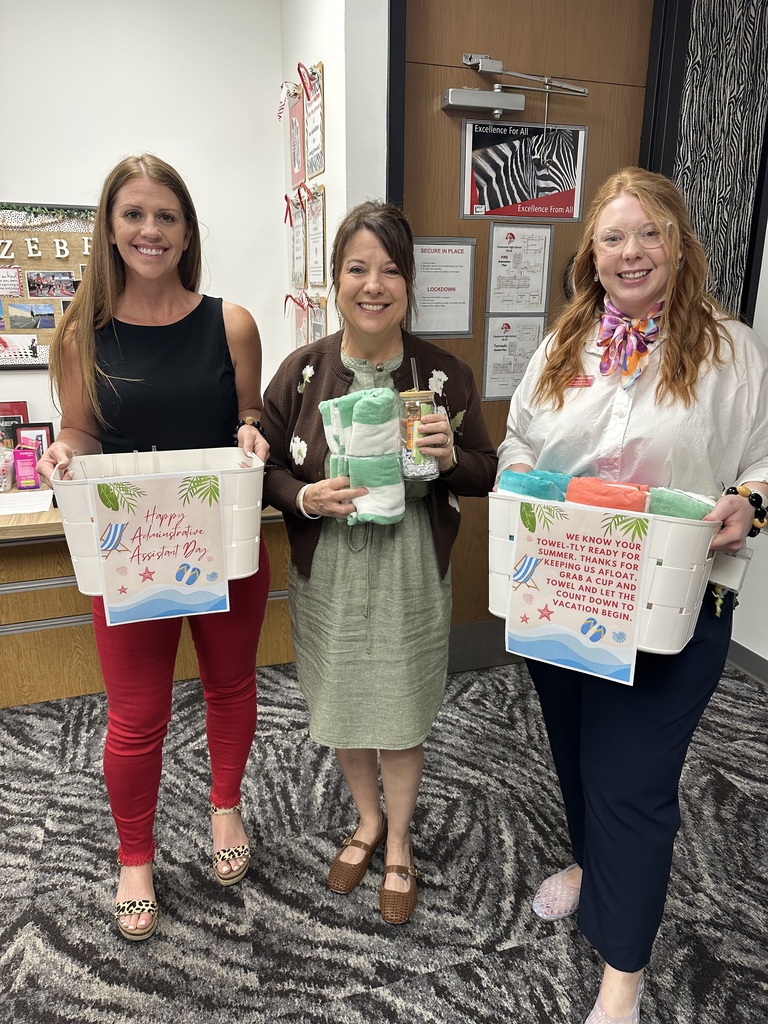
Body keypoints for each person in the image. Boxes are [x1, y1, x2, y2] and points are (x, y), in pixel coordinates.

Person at [496, 166, 768, 1023]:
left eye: (649, 233)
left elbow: (763, 464)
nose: (631, 251)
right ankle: (589, 863)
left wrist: (749, 506)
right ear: (593, 254)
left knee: (633, 780)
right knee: (578, 756)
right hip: (565, 597)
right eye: (613, 237)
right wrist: (517, 478)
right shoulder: (564, 343)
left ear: (681, 245)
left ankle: (623, 974)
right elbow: (517, 438)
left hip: (672, 610)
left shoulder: (731, 350)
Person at [36, 154, 271, 941]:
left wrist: (251, 434)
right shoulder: (80, 333)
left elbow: (250, 419)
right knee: (135, 717)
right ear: (109, 227)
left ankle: (226, 808)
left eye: (165, 216)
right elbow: (80, 428)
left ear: (187, 229)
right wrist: (66, 453)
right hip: (131, 547)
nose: (149, 230)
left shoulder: (231, 322)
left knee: (231, 687)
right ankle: (135, 856)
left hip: (220, 538)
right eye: (133, 214)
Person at [260, 200, 497, 924]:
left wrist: (452, 458)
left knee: (398, 715)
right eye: (358, 268)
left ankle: (398, 843)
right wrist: (304, 498)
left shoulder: (445, 377)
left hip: (408, 573)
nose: (374, 284)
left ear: (408, 282)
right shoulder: (302, 373)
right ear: (334, 280)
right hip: (329, 574)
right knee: (344, 707)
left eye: (390, 269)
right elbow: (265, 465)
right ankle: (364, 820)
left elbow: (486, 469)